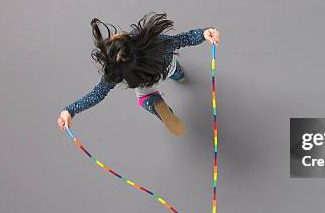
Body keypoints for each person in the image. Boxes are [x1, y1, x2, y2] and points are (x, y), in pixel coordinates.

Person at [57, 12, 220, 136]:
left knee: (145, 95)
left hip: (143, 82)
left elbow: (97, 94)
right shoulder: (159, 44)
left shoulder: (116, 70)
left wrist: (70, 110)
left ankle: (154, 103)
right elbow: (183, 39)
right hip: (163, 66)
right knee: (173, 69)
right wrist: (203, 33)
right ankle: (178, 75)